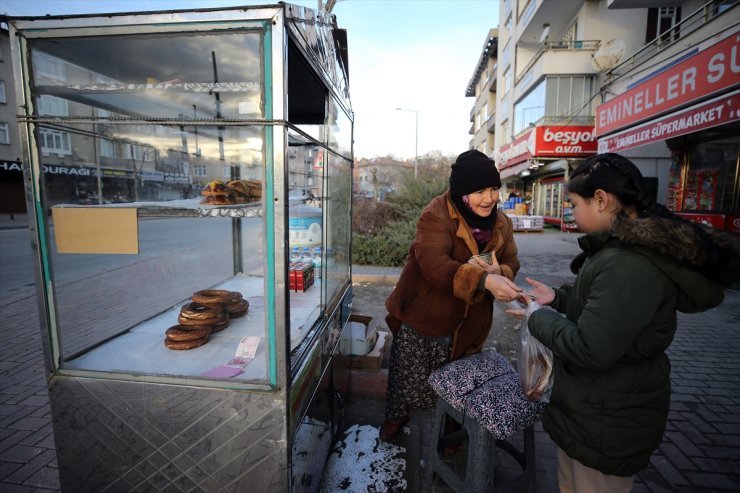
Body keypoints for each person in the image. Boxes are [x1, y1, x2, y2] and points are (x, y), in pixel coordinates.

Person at [516, 153, 740, 492]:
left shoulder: (629, 263)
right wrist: (559, 298)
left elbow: (591, 348)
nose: (571, 213)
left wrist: (538, 317)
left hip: (607, 420)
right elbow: (607, 308)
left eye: (574, 204)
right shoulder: (624, 252)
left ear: (602, 200)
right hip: (596, 411)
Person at [379, 150, 524, 442]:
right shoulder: (436, 215)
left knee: (458, 383)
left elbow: (512, 262)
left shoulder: (501, 224)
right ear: (461, 193)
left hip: (470, 321)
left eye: (494, 189)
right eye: (480, 191)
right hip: (425, 313)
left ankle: (449, 437)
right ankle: (397, 416)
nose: (489, 198)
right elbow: (434, 266)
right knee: (405, 377)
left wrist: (502, 272)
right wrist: (484, 279)